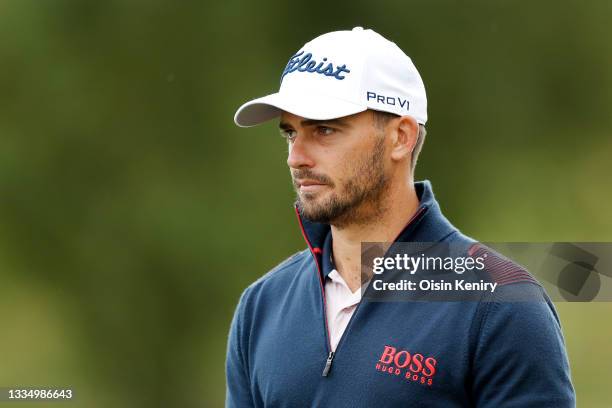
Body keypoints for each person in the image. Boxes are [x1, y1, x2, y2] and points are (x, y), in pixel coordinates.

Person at [227, 27, 576, 407]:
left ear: (401, 137)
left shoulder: (501, 306)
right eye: (291, 134)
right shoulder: (261, 306)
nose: (297, 157)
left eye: (324, 130)